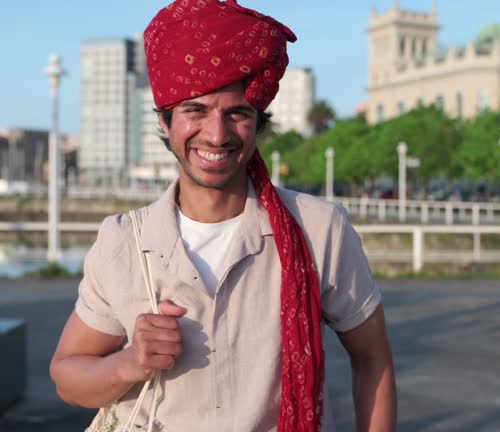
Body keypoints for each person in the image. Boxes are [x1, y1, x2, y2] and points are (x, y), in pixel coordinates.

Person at [49, 1, 396, 431]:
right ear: (165, 121)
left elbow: (372, 360)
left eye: (237, 113)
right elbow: (68, 377)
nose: (217, 134)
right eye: (195, 111)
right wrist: (128, 362)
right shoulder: (123, 240)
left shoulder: (318, 229)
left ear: (257, 123)